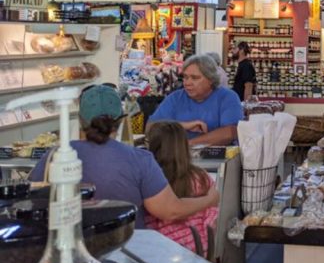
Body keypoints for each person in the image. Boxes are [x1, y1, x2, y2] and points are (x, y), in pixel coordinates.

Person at [28, 85, 219, 230]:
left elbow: (31, 202)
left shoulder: (53, 156)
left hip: (67, 255)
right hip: (127, 252)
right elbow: (170, 210)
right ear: (120, 122)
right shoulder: (139, 159)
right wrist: (209, 200)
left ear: (80, 121)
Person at [145, 121, 219, 254]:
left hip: (160, 254)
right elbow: (212, 219)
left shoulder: (151, 180)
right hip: (198, 252)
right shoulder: (201, 177)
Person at [148, 54, 243, 146]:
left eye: (195, 78)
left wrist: (188, 145)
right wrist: (182, 125)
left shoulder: (227, 97)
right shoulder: (175, 98)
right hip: (177, 159)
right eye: (185, 77)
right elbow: (150, 128)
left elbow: (230, 132)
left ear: (210, 79)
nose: (187, 83)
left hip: (217, 159)